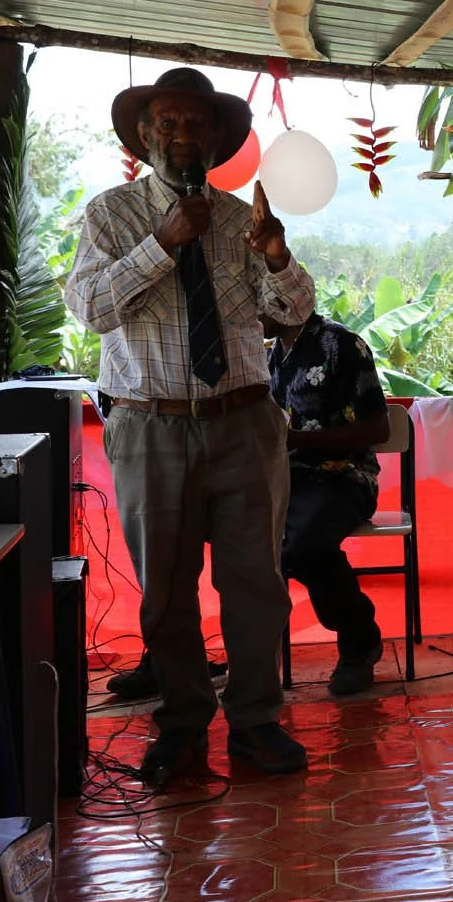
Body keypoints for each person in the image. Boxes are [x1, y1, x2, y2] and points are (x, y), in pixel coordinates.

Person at [64, 67, 312, 786]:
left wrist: (278, 257)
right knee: (167, 591)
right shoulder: (109, 215)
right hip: (152, 425)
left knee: (256, 582)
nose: (182, 135)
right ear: (144, 138)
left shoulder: (242, 219)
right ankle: (180, 725)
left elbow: (291, 316)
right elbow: (89, 308)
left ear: (215, 138)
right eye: (168, 123)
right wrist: (163, 242)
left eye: (195, 124)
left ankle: (257, 721)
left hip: (244, 420)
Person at [264, 306, 391, 696]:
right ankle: (256, 664)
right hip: (291, 480)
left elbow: (378, 428)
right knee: (243, 538)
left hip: (345, 477)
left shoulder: (342, 345)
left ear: (281, 300)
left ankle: (359, 640)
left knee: (300, 548)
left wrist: (297, 442)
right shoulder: (271, 353)